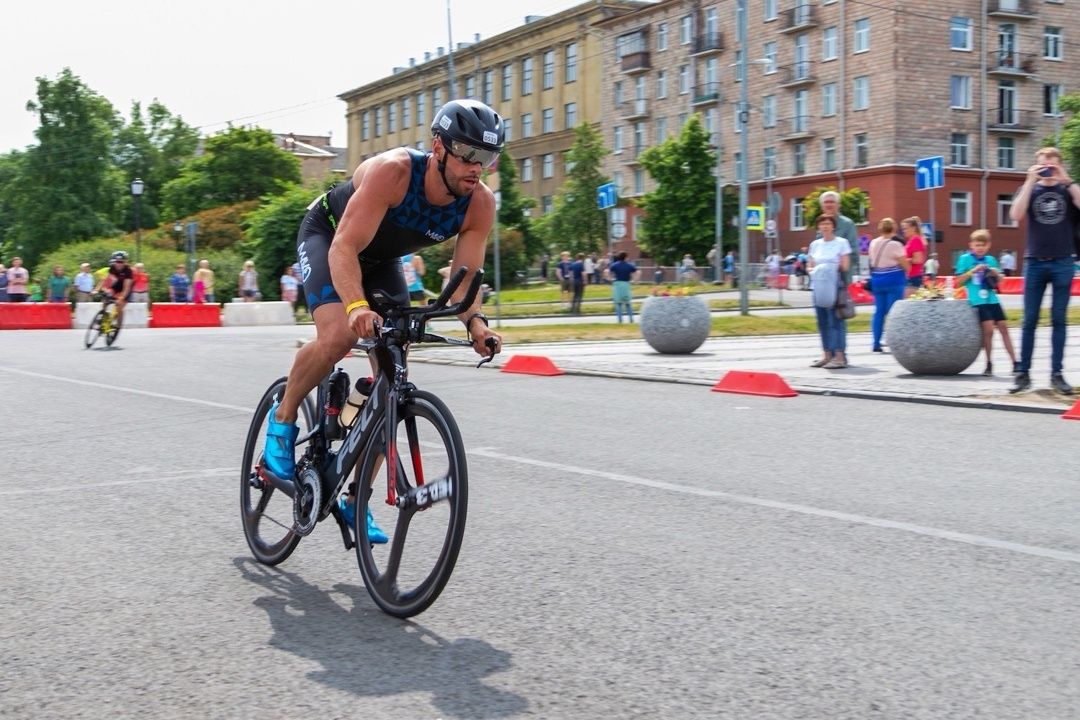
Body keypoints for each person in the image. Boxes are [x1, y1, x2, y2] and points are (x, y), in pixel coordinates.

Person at [263, 98, 503, 544]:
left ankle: (357, 499)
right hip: (331, 237)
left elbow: (465, 278)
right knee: (336, 338)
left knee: (393, 375)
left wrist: (477, 326)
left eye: (487, 158)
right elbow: (343, 250)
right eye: (468, 154)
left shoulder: (478, 204)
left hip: (383, 259)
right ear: (439, 147)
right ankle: (283, 419)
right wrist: (356, 307)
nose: (477, 168)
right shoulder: (393, 172)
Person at [1007, 146, 1077, 395]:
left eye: (1051, 164)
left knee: (1059, 319)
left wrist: (1065, 179)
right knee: (1029, 320)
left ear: (1059, 164)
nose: (1047, 168)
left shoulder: (1067, 190)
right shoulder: (1031, 189)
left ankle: (1057, 374)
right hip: (1034, 261)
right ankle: (1022, 373)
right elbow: (1015, 214)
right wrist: (1029, 181)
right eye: (1042, 164)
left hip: (1062, 262)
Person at [955, 229, 1017, 377]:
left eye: (983, 245)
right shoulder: (965, 259)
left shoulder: (990, 260)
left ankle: (1015, 362)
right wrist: (972, 271)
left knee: (1003, 327)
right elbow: (958, 282)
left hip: (992, 298)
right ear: (971, 245)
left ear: (988, 245)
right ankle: (989, 363)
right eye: (977, 245)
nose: (980, 248)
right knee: (988, 330)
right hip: (977, 300)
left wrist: (996, 273)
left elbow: (1001, 281)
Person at [807, 215, 851, 369]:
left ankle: (839, 356)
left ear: (833, 226)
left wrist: (829, 268)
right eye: (822, 224)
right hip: (818, 285)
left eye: (828, 224)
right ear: (818, 227)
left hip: (834, 285)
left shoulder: (841, 243)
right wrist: (814, 270)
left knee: (835, 321)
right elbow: (810, 265)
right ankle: (826, 354)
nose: (825, 226)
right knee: (822, 321)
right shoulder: (815, 244)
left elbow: (845, 265)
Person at [867, 218, 910, 353]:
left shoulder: (873, 243)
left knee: (879, 312)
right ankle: (893, 341)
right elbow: (905, 265)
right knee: (893, 312)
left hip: (877, 280)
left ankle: (876, 342)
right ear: (894, 229)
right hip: (894, 280)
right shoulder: (896, 244)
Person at [819, 191, 858, 284]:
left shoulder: (847, 224)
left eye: (832, 202)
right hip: (822, 275)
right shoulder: (820, 223)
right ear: (822, 206)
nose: (829, 205)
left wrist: (839, 266)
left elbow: (853, 250)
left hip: (842, 276)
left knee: (842, 297)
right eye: (826, 202)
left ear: (838, 205)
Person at [95, 251, 134, 323]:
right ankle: (103, 315)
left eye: (121, 262)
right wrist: (99, 290)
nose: (118, 264)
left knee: (119, 306)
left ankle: (118, 326)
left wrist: (121, 298)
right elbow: (106, 280)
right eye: (117, 262)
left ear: (125, 262)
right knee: (105, 299)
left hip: (125, 290)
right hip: (116, 287)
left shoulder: (128, 271)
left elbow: (127, 287)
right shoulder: (112, 268)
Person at [607, 251, 638, 323]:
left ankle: (620, 320)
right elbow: (637, 271)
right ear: (625, 257)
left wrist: (610, 279)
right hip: (626, 284)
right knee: (628, 303)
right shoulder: (629, 265)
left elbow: (607, 271)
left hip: (617, 284)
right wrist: (635, 280)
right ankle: (631, 319)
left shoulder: (615, 265)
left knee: (618, 303)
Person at [900, 216, 927, 293]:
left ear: (914, 228)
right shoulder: (912, 240)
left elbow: (918, 260)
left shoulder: (916, 240)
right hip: (912, 276)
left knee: (909, 303)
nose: (903, 231)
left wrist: (904, 261)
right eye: (903, 229)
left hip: (914, 277)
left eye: (906, 228)